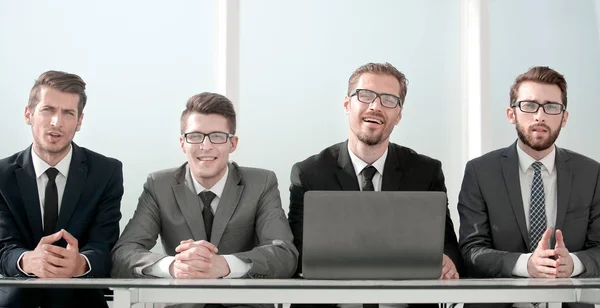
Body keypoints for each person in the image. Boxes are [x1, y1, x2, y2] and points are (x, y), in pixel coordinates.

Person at [288, 62, 462, 308]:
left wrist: (448, 261)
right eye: (366, 95)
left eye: (389, 100)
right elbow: (297, 253)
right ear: (347, 104)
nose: (376, 106)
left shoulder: (426, 171)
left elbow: (447, 243)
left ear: (399, 115)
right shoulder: (310, 173)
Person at [111, 92, 298, 307]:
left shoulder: (262, 183)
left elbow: (284, 253)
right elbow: (123, 254)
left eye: (217, 136)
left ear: (233, 143)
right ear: (183, 143)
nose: (206, 146)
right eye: (196, 136)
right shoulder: (158, 185)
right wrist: (174, 267)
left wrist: (226, 265)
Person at [458, 66, 600, 307]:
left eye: (551, 107)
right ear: (511, 114)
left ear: (564, 117)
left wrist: (574, 263)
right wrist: (526, 265)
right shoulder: (480, 172)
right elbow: (471, 250)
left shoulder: (591, 173)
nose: (540, 116)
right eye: (529, 105)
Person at [0, 70, 124, 308]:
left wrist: (80, 264)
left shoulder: (106, 172)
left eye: (68, 113)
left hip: (82, 302)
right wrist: (27, 261)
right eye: (48, 110)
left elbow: (105, 245)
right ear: (29, 114)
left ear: (79, 121)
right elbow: (3, 247)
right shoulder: (2, 176)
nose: (57, 122)